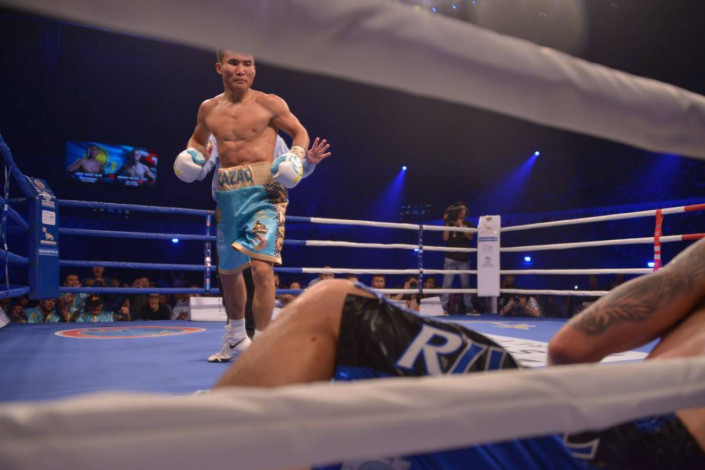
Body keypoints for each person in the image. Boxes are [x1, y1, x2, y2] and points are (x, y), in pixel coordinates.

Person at [214, 238, 705, 468]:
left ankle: (195, 447)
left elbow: (572, 347)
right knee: (347, 426)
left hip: (644, 447)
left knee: (332, 306)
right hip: (656, 446)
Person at [177, 50, 330, 363]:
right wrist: (192, 155)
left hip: (267, 191)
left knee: (262, 268)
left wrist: (298, 156)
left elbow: (299, 134)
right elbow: (197, 140)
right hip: (228, 193)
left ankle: (263, 343)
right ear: (220, 67)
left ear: (254, 69)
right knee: (229, 273)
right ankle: (235, 337)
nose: (241, 69)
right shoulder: (208, 108)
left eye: (247, 64)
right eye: (234, 63)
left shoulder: (269, 103)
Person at [440, 201, 475, 314]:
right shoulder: (449, 224)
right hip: (450, 257)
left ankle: (469, 308)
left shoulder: (469, 223)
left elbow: (470, 236)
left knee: (465, 285)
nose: (462, 211)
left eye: (464, 209)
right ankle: (443, 308)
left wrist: (460, 226)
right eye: (460, 209)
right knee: (447, 284)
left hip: (464, 258)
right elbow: (445, 238)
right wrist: (446, 222)